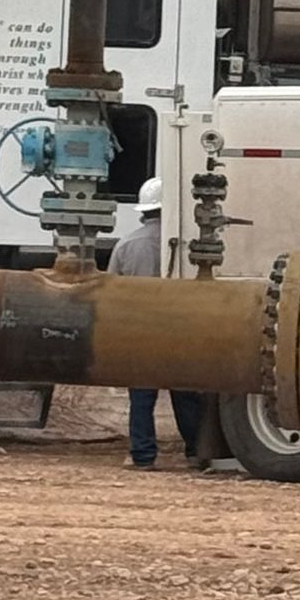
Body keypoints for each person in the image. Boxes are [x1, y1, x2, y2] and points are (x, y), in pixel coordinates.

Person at [108, 178, 203, 468]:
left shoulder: (126, 245)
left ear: (144, 212)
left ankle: (143, 455)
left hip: (140, 331)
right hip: (180, 329)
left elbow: (111, 292)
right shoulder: (191, 244)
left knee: (141, 397)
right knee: (186, 395)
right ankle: (197, 452)